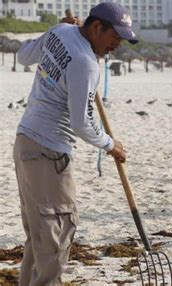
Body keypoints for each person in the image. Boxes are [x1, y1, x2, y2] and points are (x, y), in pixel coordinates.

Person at [14, 2, 137, 284]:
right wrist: (110, 145)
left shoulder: (60, 31)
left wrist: (54, 33)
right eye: (114, 36)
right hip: (49, 152)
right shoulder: (85, 63)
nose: (117, 45)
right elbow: (82, 123)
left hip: (26, 143)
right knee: (56, 236)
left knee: (38, 234)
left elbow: (23, 56)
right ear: (96, 27)